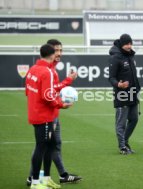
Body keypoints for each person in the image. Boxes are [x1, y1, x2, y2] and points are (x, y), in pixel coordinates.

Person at [26, 39, 82, 186]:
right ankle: (35, 181)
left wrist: (67, 82)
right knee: (41, 146)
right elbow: (47, 95)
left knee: (51, 145)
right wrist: (61, 104)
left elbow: (30, 91)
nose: (58, 53)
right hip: (44, 115)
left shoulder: (33, 69)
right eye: (56, 51)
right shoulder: (47, 71)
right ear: (50, 53)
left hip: (39, 113)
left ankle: (46, 178)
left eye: (60, 50)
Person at [108, 34, 141, 155]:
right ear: (122, 44)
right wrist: (119, 85)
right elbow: (111, 77)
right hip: (121, 95)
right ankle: (122, 147)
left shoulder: (131, 56)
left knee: (134, 119)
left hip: (133, 93)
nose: (129, 46)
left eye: (130, 43)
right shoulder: (115, 57)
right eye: (127, 44)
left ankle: (125, 142)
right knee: (121, 122)